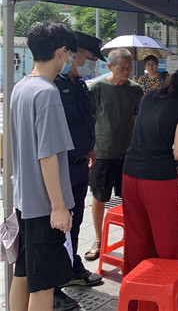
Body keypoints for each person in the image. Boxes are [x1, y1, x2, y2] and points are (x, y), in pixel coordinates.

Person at [122, 65, 178, 274]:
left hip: (130, 173)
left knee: (136, 238)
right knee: (167, 239)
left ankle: (136, 288)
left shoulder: (149, 96)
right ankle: (170, 288)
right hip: (158, 180)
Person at [9, 21, 76, 311]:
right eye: (69, 53)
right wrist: (58, 207)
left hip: (25, 201)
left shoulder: (21, 87)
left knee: (24, 272)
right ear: (62, 51)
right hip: (44, 206)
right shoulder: (47, 93)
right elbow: (47, 155)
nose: (69, 58)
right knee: (44, 284)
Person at [52, 32, 105, 310]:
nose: (92, 64)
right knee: (57, 228)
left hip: (81, 164)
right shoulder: (53, 85)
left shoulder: (80, 84)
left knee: (75, 221)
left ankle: (73, 269)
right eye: (90, 58)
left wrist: (90, 147)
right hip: (61, 167)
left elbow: (86, 120)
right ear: (74, 54)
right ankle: (53, 287)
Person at [85, 48, 143, 261]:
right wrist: (88, 149)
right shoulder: (96, 88)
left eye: (129, 68)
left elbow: (137, 121)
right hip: (102, 153)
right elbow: (87, 121)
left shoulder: (135, 90)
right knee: (99, 196)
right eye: (122, 68)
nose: (126, 72)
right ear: (110, 67)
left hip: (128, 154)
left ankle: (132, 237)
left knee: (130, 199)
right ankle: (98, 239)